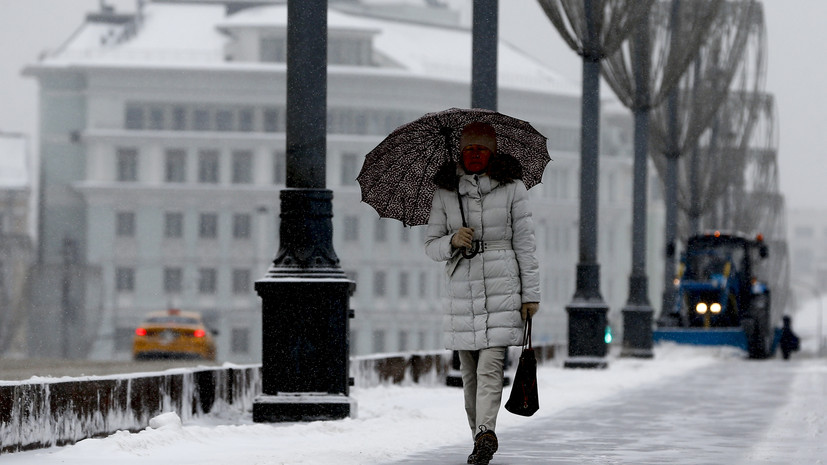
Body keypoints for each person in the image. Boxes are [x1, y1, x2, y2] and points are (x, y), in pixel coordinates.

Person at [425, 121, 540, 465]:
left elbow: (525, 244)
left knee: (491, 365)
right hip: (462, 287)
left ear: (492, 152)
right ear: (461, 152)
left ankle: (486, 433)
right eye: (469, 149)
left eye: (481, 149)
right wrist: (452, 240)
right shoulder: (446, 192)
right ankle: (480, 437)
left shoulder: (512, 188)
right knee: (469, 371)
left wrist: (529, 295)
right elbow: (431, 246)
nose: (474, 154)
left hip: (503, 284)